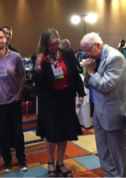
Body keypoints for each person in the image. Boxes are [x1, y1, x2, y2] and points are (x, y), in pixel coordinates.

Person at [81, 32, 126, 178]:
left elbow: (106, 85)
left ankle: (122, 176)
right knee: (103, 148)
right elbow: (88, 84)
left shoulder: (115, 57)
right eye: (83, 51)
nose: (86, 55)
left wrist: (92, 73)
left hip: (114, 111)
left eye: (87, 50)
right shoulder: (96, 57)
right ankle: (109, 175)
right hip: (99, 108)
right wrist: (88, 73)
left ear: (97, 45)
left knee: (117, 150)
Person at [32, 28, 85, 178]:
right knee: (51, 132)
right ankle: (50, 161)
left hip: (66, 98)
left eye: (56, 44)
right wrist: (38, 65)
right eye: (51, 45)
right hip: (49, 100)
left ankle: (60, 162)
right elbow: (37, 80)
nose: (54, 48)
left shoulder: (67, 53)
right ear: (44, 44)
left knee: (65, 131)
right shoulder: (38, 56)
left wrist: (80, 95)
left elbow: (75, 75)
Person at [0, 27, 27, 173]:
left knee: (18, 132)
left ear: (6, 38)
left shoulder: (15, 56)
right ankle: (7, 161)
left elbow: (22, 76)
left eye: (1, 37)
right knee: (3, 133)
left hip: (14, 101)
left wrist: (19, 94)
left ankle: (21, 159)